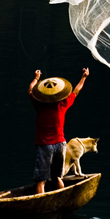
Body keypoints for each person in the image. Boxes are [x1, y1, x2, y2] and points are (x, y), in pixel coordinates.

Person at [28, 67, 88, 195]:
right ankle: (63, 199)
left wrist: (36, 78)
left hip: (45, 146)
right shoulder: (63, 105)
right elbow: (76, 91)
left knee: (41, 181)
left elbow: (30, 90)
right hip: (61, 145)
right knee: (57, 177)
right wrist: (84, 77)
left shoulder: (39, 105)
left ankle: (41, 205)